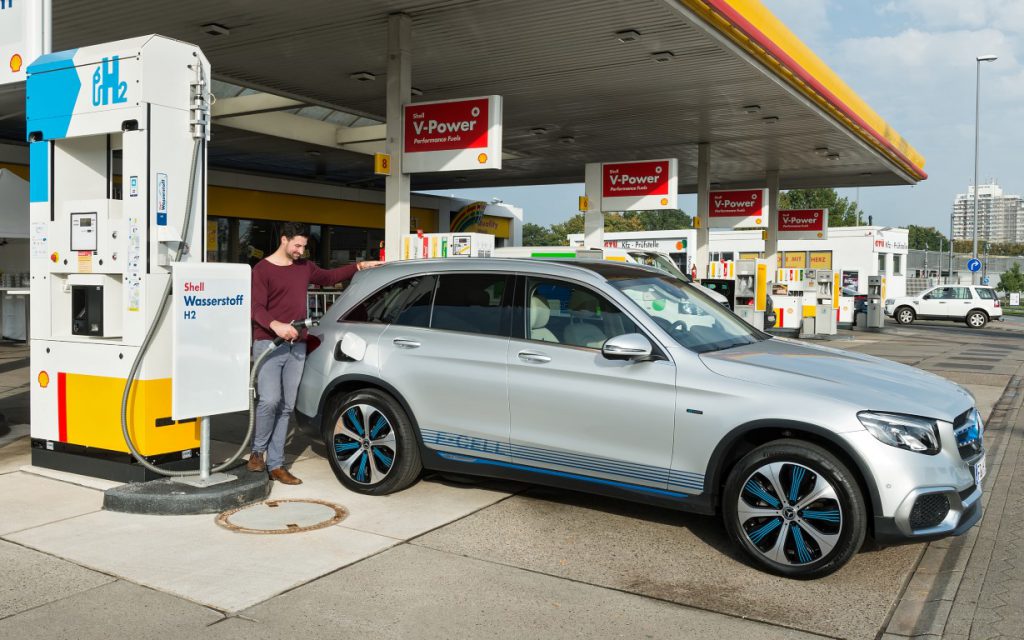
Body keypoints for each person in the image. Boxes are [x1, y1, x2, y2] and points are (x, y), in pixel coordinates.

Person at [248, 222, 380, 484]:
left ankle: (276, 464)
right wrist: (276, 325)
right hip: (268, 343)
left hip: (297, 344)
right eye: (297, 245)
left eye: (304, 246)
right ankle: (257, 452)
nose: (300, 250)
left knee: (286, 406)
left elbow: (329, 277)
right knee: (270, 401)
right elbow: (255, 307)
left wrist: (359, 267)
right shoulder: (262, 269)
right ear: (284, 240)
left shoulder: (304, 267)